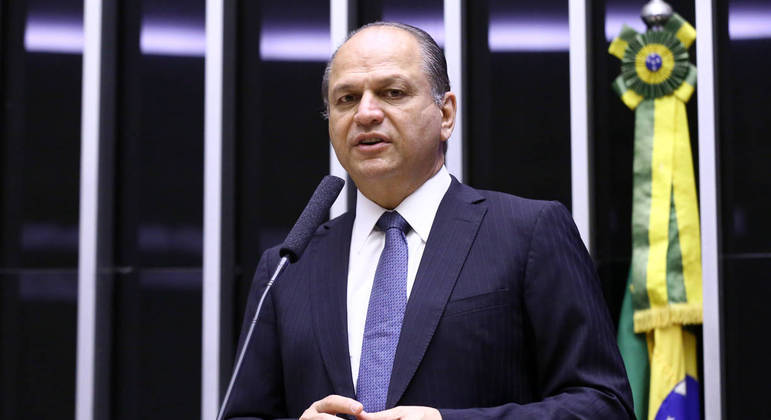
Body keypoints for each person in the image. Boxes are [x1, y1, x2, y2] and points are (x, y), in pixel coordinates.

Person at [224, 22, 634, 420]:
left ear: (446, 114)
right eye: (346, 99)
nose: (366, 113)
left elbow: (603, 406)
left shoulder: (528, 232)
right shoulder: (287, 267)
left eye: (392, 92)